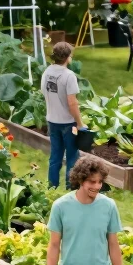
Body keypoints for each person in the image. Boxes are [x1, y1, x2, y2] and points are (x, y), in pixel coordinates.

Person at [41, 41, 84, 189]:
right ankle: (71, 187)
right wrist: (79, 123)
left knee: (55, 157)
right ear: (68, 57)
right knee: (72, 156)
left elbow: (44, 92)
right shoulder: (68, 75)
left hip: (52, 121)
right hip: (68, 123)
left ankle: (51, 187)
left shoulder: (47, 72)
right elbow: (72, 103)